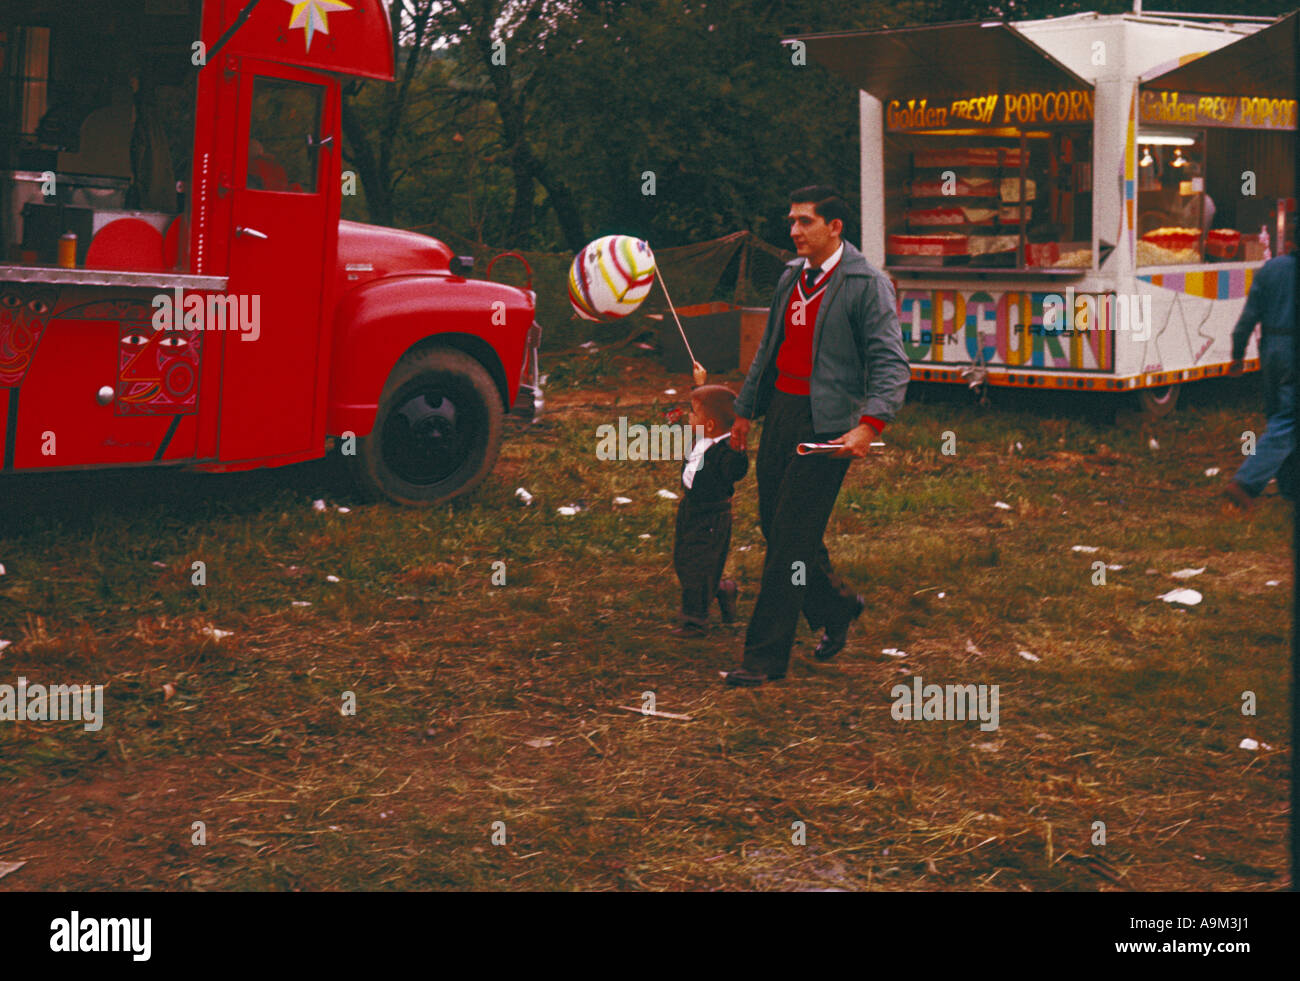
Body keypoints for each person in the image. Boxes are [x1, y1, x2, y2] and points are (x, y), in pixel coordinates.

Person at [723, 186, 909, 687]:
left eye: (805, 222)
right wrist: (744, 411)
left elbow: (891, 363)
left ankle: (763, 660)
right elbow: (769, 348)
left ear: (835, 227)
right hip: (782, 411)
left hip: (828, 424)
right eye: (792, 221)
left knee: (788, 544)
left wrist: (870, 425)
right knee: (776, 526)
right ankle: (836, 605)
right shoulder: (791, 278)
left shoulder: (865, 284)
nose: (794, 231)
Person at [1224, 236, 1297, 508]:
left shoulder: (1271, 269)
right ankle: (1245, 482)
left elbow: (1248, 316)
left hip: (1271, 349)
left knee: (1279, 415)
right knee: (1289, 420)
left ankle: (1289, 488)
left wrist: (1238, 355)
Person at [671, 385, 748, 637]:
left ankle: (695, 621)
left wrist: (739, 451)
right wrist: (699, 383)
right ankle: (722, 589)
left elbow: (736, 471)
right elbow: (712, 401)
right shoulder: (703, 438)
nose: (688, 417)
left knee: (700, 565)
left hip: (712, 516)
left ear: (711, 424)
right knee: (684, 560)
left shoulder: (726, 450)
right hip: (690, 509)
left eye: (693, 413)